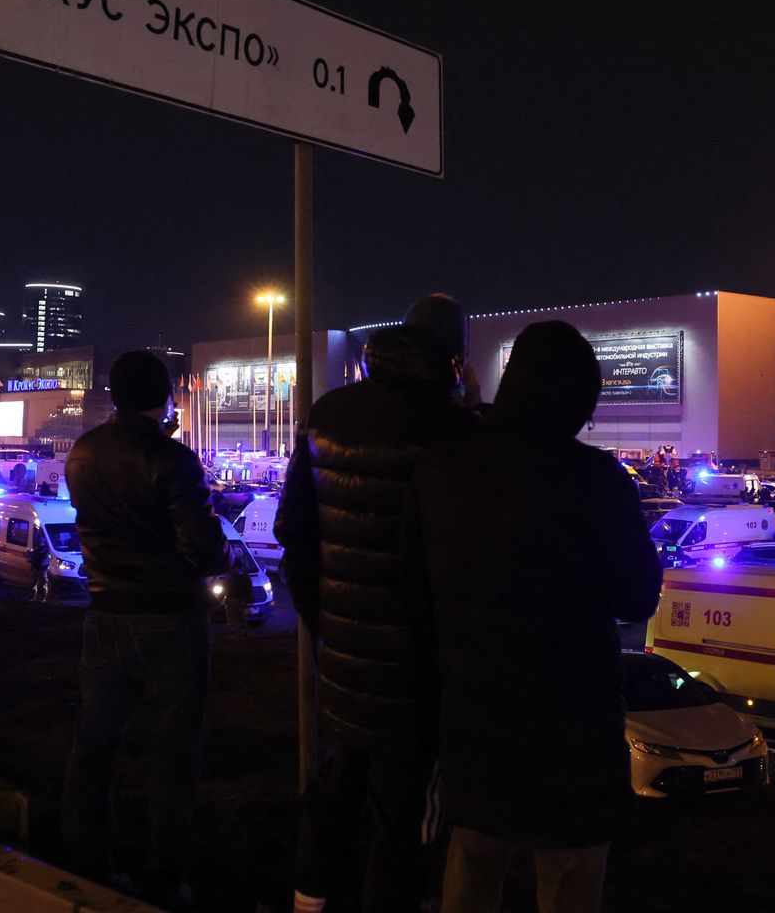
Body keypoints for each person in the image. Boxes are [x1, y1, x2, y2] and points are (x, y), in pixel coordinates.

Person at [407, 321, 662, 913]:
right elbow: (636, 597)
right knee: (570, 868)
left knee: (473, 857)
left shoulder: (441, 468)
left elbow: (413, 588)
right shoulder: (597, 481)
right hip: (570, 722)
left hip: (473, 711)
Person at [278, 294, 475, 913]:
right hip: (421, 667)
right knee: (406, 813)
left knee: (338, 784)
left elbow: (293, 533)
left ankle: (308, 900)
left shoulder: (329, 414)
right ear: (456, 359)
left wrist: (323, 617)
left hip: (343, 653)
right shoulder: (455, 432)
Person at [61, 351, 225, 908]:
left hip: (104, 612)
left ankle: (85, 861)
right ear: (167, 395)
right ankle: (164, 877)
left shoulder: (83, 452)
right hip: (169, 619)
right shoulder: (172, 459)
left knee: (94, 746)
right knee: (174, 754)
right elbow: (201, 549)